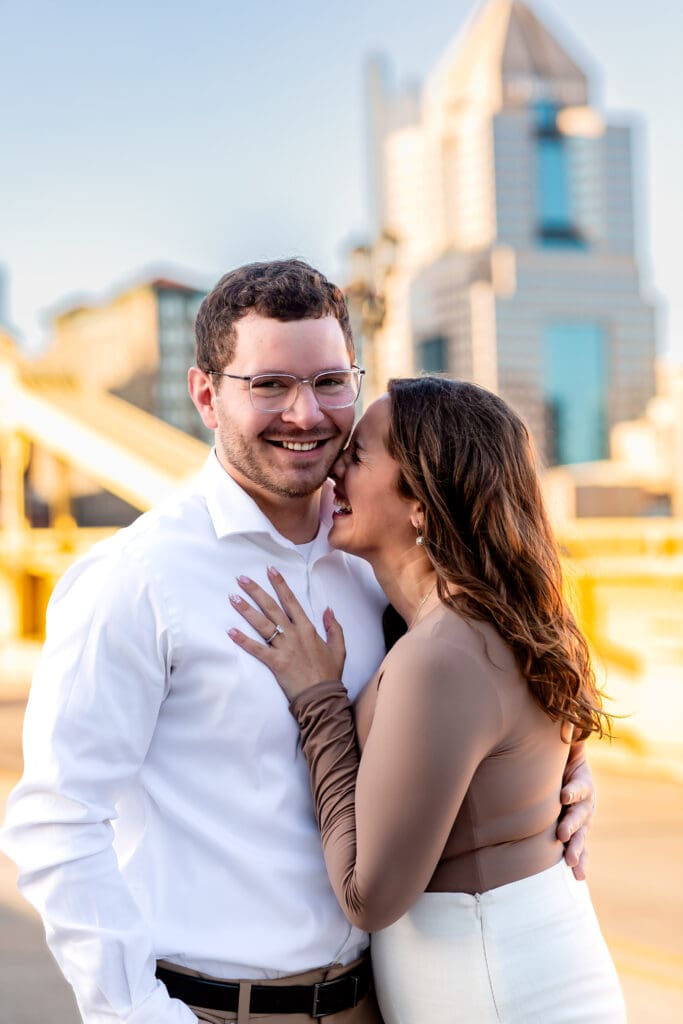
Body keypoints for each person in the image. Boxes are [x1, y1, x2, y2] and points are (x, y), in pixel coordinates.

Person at [1, 262, 594, 1024]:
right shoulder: (137, 578)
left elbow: (486, 691)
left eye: (328, 382)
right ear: (206, 396)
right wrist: (140, 1016)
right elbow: (57, 819)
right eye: (269, 385)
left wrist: (562, 778)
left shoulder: (381, 557)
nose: (306, 413)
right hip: (217, 1010)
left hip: (380, 1003)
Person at [227, 376, 625, 1023]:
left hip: (492, 994)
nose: (334, 473)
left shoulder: (440, 653)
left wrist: (318, 702)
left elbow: (368, 897)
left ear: (421, 502)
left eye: (357, 457)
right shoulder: (480, 623)